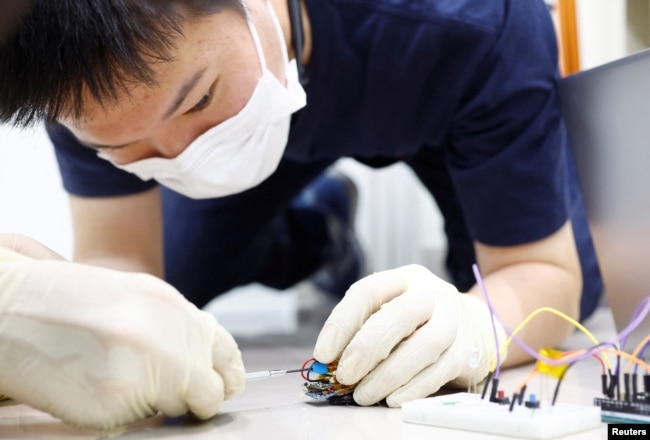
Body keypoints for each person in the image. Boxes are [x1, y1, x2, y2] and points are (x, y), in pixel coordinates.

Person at [0, 0, 603, 429]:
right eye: (124, 148)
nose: (186, 155)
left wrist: (475, 328)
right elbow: (122, 265)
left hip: (447, 108)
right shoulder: (76, 84)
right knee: (171, 290)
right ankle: (318, 234)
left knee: (551, 286)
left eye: (199, 99)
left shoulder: (475, 21)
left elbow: (541, 272)